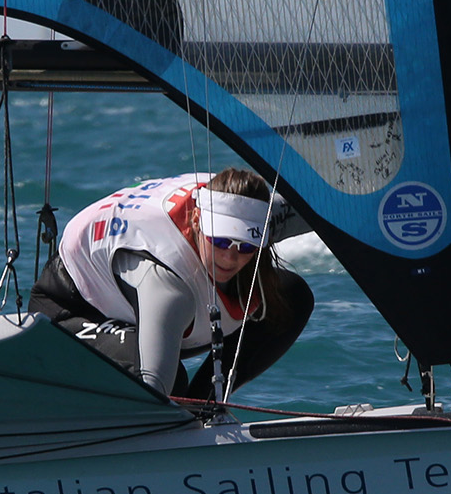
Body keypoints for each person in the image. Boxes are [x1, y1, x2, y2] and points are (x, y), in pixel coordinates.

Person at [29, 167, 315, 399]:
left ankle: (206, 408)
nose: (230, 257)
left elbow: (335, 207)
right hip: (69, 310)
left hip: (137, 303)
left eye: (245, 246)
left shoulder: (261, 215)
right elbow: (153, 388)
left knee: (291, 298)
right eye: (220, 241)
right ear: (197, 220)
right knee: (171, 385)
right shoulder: (168, 287)